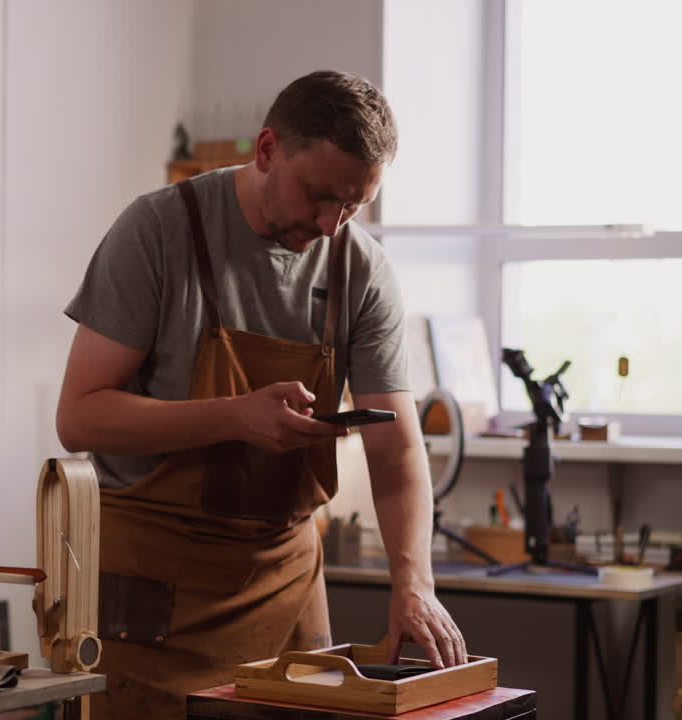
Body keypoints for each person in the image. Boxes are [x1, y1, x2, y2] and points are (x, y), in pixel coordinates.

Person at [56, 69, 465, 719]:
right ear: (268, 149)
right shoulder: (158, 231)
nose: (331, 224)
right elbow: (80, 417)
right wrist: (234, 418)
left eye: (354, 205)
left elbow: (394, 449)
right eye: (319, 196)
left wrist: (415, 584)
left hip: (282, 586)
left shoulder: (361, 269)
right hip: (150, 590)